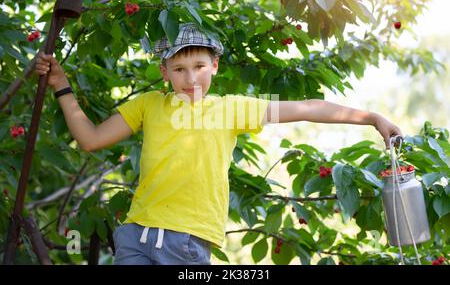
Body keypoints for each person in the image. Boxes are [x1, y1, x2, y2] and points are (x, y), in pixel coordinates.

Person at [34, 22, 403, 265]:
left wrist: (371, 118)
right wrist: (60, 86)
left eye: (198, 66)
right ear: (164, 72)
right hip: (136, 237)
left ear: (215, 65)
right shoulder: (148, 104)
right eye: (178, 69)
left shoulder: (232, 110)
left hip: (187, 245)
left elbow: (307, 107)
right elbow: (90, 138)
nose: (189, 77)